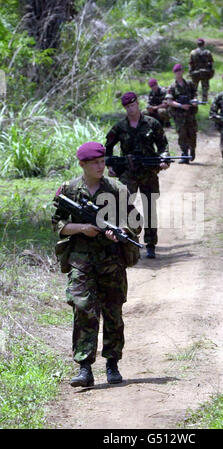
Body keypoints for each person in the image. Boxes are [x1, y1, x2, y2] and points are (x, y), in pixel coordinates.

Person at [52, 141, 142, 387]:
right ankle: (84, 368)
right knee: (83, 310)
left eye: (103, 161)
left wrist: (122, 229)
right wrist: (82, 228)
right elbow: (57, 224)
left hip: (111, 260)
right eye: (95, 163)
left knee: (113, 312)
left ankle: (112, 364)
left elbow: (136, 221)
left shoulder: (116, 189)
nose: (101, 166)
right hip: (81, 261)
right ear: (83, 164)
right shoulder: (69, 190)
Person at [105, 91, 170, 259]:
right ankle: (125, 239)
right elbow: (108, 147)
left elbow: (163, 145)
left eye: (133, 105)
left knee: (150, 207)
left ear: (137, 104)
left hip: (148, 171)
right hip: (128, 171)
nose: (131, 109)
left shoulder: (152, 123)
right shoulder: (120, 127)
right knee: (122, 205)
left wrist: (163, 160)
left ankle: (150, 244)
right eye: (127, 107)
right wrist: (111, 165)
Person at [166, 63, 198, 163]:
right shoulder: (172, 87)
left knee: (192, 133)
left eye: (180, 71)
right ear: (174, 73)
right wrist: (180, 105)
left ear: (182, 71)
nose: (178, 73)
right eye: (176, 71)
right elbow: (169, 101)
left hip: (190, 114)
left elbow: (195, 95)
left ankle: (192, 149)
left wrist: (194, 101)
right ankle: (185, 155)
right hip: (179, 116)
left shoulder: (189, 84)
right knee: (182, 135)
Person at [189, 38, 214, 103]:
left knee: (194, 88)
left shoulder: (193, 52)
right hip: (205, 73)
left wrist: (190, 72)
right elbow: (211, 63)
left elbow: (190, 63)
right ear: (203, 44)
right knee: (205, 87)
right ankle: (204, 100)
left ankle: (194, 99)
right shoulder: (207, 52)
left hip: (195, 73)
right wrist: (210, 72)